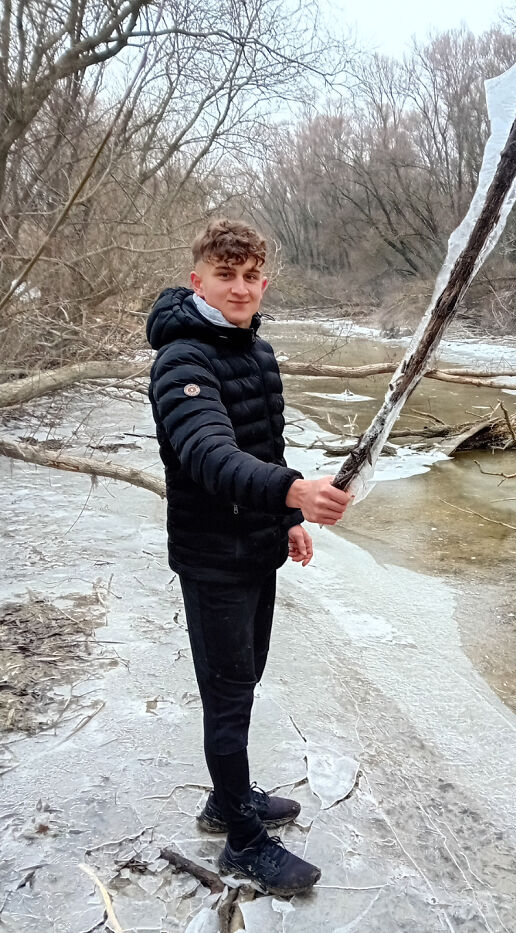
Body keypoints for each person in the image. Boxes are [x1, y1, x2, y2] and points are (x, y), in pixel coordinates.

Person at [146, 218, 352, 896]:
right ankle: (240, 839)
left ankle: (224, 798)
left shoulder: (255, 351)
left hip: (255, 548)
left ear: (263, 282)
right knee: (228, 700)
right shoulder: (182, 359)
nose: (239, 288)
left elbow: (263, 445)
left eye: (249, 276)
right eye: (224, 275)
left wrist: (287, 516)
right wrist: (295, 489)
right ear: (197, 278)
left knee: (246, 677)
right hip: (213, 561)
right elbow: (210, 455)